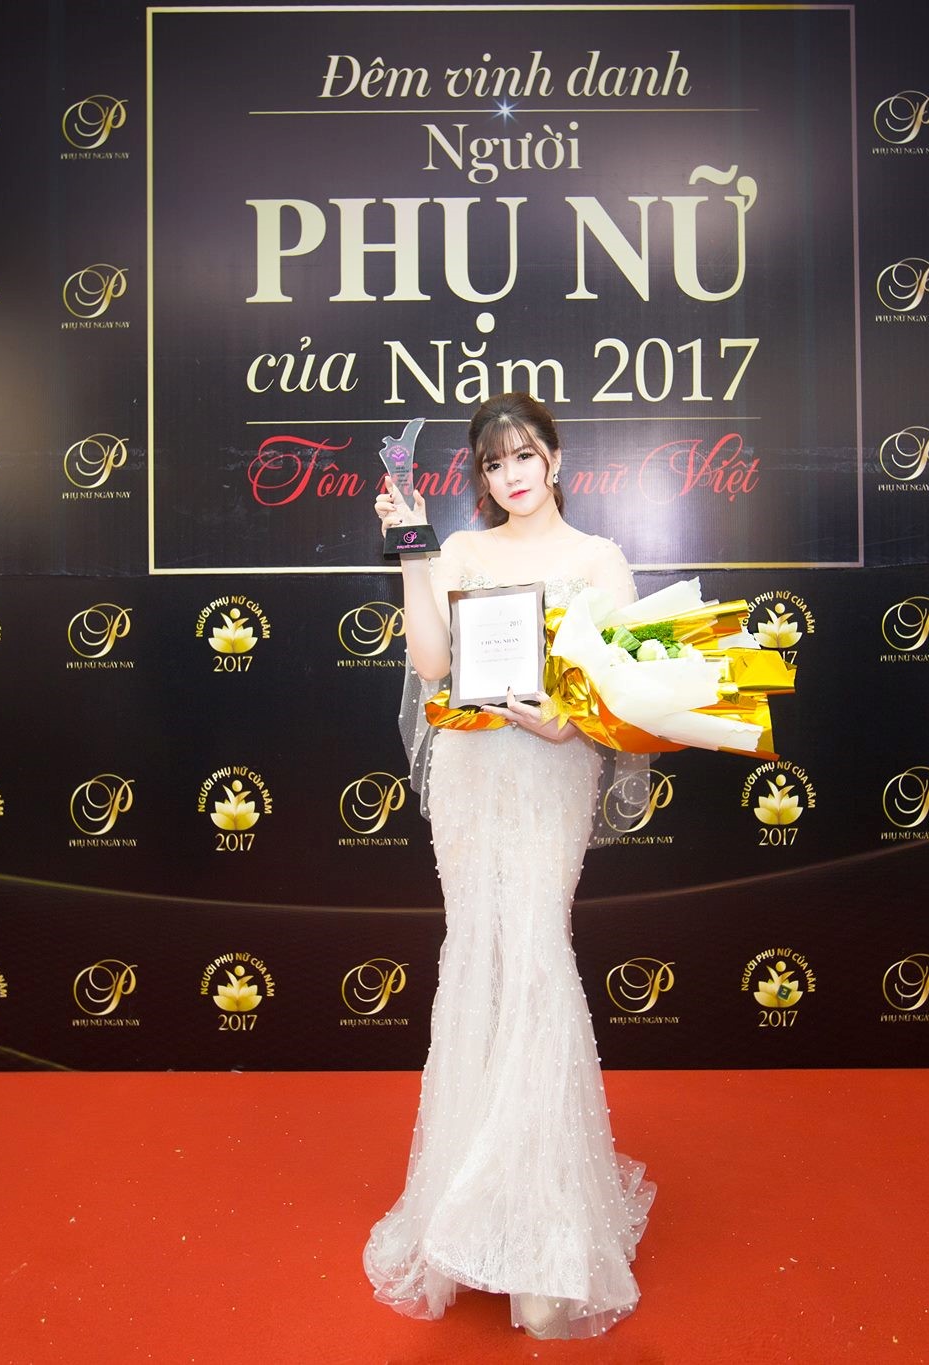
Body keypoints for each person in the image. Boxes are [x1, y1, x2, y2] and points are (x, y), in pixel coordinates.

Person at [362, 393, 655, 1339]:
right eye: (493, 463)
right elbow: (432, 663)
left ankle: (541, 1235)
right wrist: (411, 548)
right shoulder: (460, 551)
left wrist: (573, 720)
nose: (511, 474)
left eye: (525, 454)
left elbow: (627, 686)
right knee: (479, 959)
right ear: (480, 477)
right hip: (472, 772)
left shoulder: (598, 559)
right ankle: (463, 1209)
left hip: (550, 771)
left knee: (534, 957)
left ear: (556, 458)